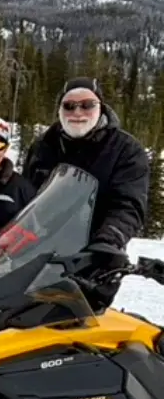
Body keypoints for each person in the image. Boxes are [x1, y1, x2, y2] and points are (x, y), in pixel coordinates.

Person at [24, 78, 150, 267]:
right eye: (69, 106)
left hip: (93, 254)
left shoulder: (125, 150)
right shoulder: (43, 146)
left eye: (87, 105)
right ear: (59, 110)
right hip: (39, 251)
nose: (77, 112)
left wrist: (109, 239)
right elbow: (27, 197)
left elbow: (128, 204)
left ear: (101, 107)